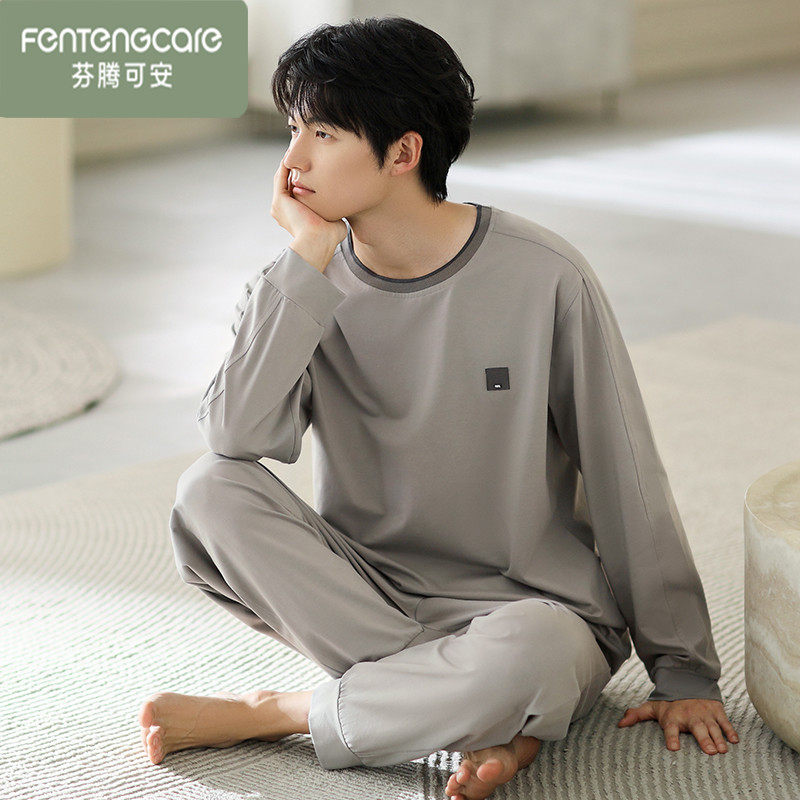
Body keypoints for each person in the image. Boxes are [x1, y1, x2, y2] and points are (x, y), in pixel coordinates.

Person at [138, 15, 739, 800]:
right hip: (370, 596)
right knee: (206, 491)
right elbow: (233, 436)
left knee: (530, 652)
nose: (292, 162)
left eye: (322, 133)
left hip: (533, 608)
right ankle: (489, 717)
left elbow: (625, 472)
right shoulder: (298, 287)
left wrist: (683, 668)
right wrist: (306, 260)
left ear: (403, 153)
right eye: (293, 130)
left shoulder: (544, 276)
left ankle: (279, 712)